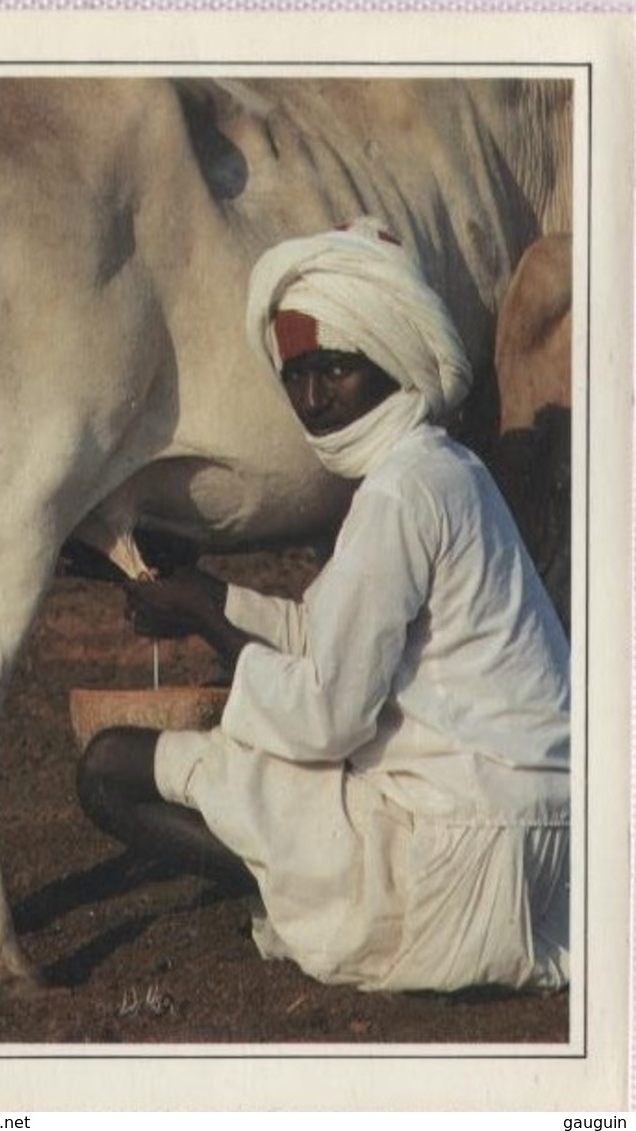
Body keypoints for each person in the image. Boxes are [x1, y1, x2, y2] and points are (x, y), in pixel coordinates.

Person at [76, 218, 570, 994]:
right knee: (230, 766)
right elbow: (334, 636)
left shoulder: (400, 492)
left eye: (333, 369)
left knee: (110, 768)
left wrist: (208, 619)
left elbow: (327, 717)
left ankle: (297, 889)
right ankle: (303, 877)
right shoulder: (445, 468)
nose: (312, 399)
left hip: (462, 857)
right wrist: (212, 595)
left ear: (388, 353)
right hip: (543, 840)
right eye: (297, 376)